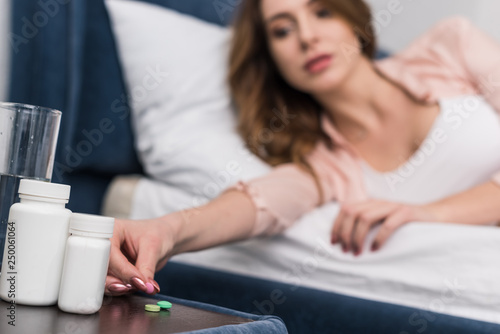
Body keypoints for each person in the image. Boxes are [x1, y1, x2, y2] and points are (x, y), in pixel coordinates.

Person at [104, 0, 500, 296]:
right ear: (273, 62)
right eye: (282, 30)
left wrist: (427, 213)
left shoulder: (451, 46)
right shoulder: (323, 166)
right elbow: (255, 205)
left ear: (353, 17)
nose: (308, 37)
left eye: (322, 13)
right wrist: (165, 230)